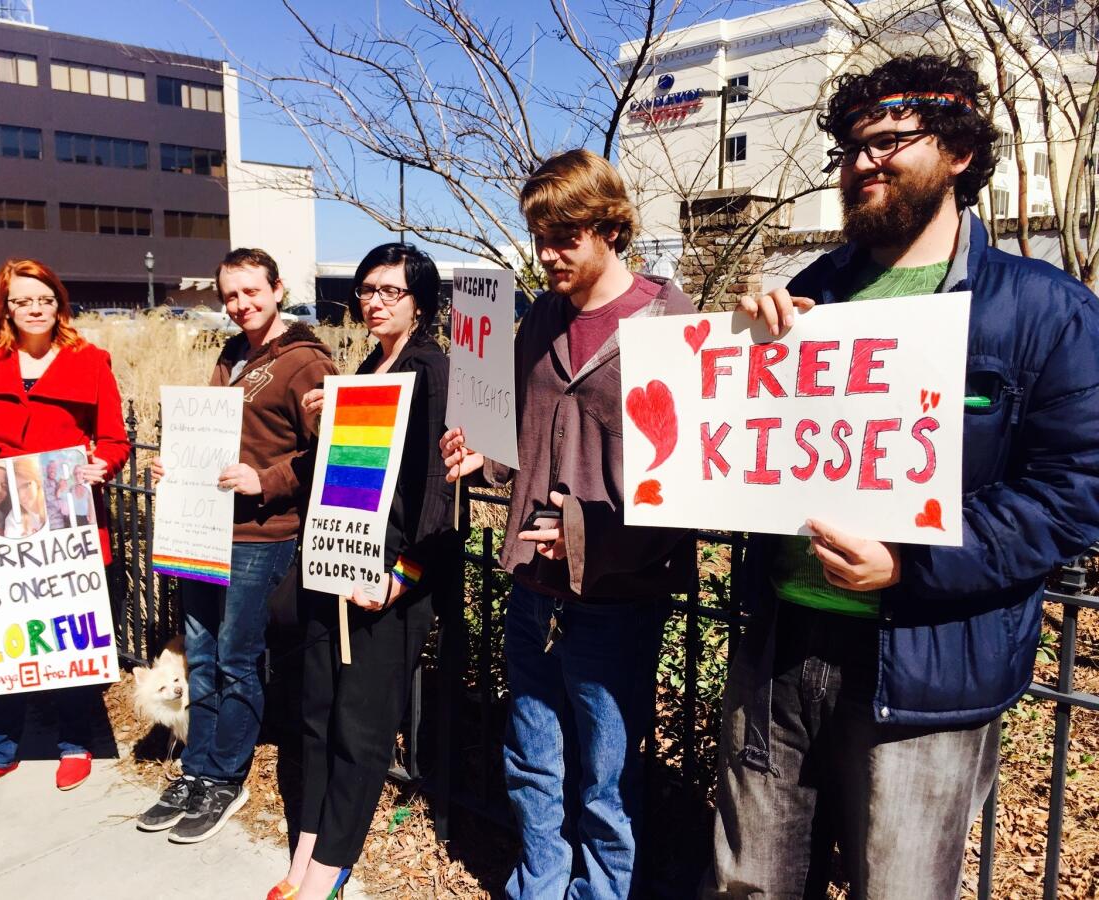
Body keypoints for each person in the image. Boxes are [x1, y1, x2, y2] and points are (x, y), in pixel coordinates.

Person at [703, 53, 1099, 899]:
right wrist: (734, 358)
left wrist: (911, 563)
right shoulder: (810, 297)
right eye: (851, 147)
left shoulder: (1042, 309)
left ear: (959, 152)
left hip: (926, 664)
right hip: (779, 648)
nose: (863, 163)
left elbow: (1077, 491)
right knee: (749, 886)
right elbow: (739, 456)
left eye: (889, 140)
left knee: (902, 889)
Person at [440, 150, 695, 899]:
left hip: (616, 596)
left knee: (605, 779)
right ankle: (539, 886)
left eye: (565, 236)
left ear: (611, 228)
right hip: (533, 585)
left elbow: (687, 484)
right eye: (539, 236)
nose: (548, 253)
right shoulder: (541, 316)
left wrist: (588, 535)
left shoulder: (670, 319)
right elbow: (518, 433)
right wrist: (480, 454)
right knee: (531, 757)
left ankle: (602, 892)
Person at [268, 243, 459, 900]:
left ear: (422, 301)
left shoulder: (433, 370)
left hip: (389, 577)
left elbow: (437, 490)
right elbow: (349, 480)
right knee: (319, 712)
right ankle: (309, 844)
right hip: (336, 557)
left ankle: (331, 863)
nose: (374, 302)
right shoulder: (365, 366)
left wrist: (403, 574)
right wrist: (325, 430)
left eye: (390, 291)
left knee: (362, 725)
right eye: (366, 290)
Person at [137, 248, 337, 844]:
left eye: (253, 291)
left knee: (235, 658)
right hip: (204, 530)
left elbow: (331, 448)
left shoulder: (306, 363)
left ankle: (226, 778)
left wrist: (266, 479)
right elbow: (216, 436)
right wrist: (174, 467)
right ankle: (196, 771)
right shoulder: (231, 355)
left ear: (277, 289)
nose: (242, 304)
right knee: (200, 657)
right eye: (231, 295)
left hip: (261, 535)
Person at [0, 257, 130, 801]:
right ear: (5, 307)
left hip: (66, 518)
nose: (34, 309)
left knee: (65, 639)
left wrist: (101, 465)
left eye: (44, 299)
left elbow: (113, 439)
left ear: (59, 303)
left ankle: (75, 743)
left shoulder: (91, 360)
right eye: (22, 301)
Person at [3, 456, 47, 537]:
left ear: (37, 482)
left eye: (26, 485)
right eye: (15, 490)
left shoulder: (54, 504)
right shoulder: (13, 519)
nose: (21, 496)